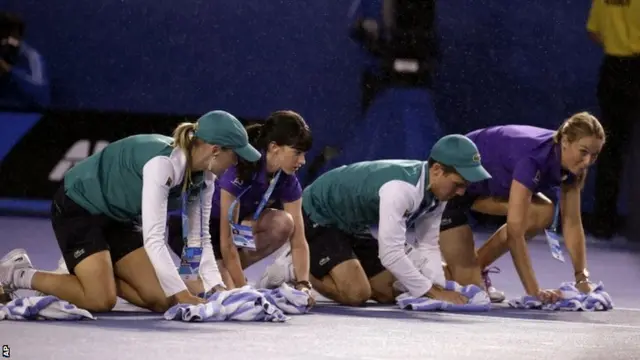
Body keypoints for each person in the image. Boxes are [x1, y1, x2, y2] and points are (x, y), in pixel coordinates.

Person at [0, 110, 261, 312]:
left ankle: (90, 271)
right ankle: (15, 273)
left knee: (162, 300)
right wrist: (183, 293)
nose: (236, 163)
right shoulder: (163, 164)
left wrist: (214, 288)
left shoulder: (205, 179)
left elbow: (198, 239)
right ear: (215, 150)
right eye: (235, 155)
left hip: (119, 218)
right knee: (100, 300)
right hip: (79, 205)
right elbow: (154, 239)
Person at [258, 134, 492, 306]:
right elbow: (390, 253)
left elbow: (429, 246)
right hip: (318, 213)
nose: (461, 192)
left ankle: (323, 265)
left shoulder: (438, 193)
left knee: (386, 292)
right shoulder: (401, 190)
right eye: (459, 183)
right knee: (356, 293)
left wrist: (439, 290)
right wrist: (432, 291)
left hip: (351, 222)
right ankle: (294, 268)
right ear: (438, 170)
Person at [438, 112, 605, 303]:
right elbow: (515, 233)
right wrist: (534, 291)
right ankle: (411, 275)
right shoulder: (532, 159)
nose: (588, 161)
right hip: (453, 185)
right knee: (463, 288)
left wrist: (581, 278)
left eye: (595, 154)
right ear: (566, 141)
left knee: (543, 212)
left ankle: (476, 268)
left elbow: (572, 223)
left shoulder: (572, 165)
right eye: (583, 152)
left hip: (485, 189)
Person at [168, 110, 315, 300]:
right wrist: (245, 291)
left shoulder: (288, 180)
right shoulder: (239, 170)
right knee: (222, 296)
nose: (302, 161)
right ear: (275, 147)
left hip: (231, 230)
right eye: (297, 152)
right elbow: (226, 242)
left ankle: (226, 274)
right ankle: (190, 273)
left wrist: (303, 285)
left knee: (283, 223)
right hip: (190, 231)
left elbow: (298, 240)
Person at [586, 0, 640, 239]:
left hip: (613, 71)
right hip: (638, 67)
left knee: (610, 149)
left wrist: (617, 43)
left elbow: (593, 32)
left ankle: (603, 221)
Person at [0, 11, 50, 109]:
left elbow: (42, 96)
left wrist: (10, 71)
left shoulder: (32, 57)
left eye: (13, 37)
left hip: (22, 114)